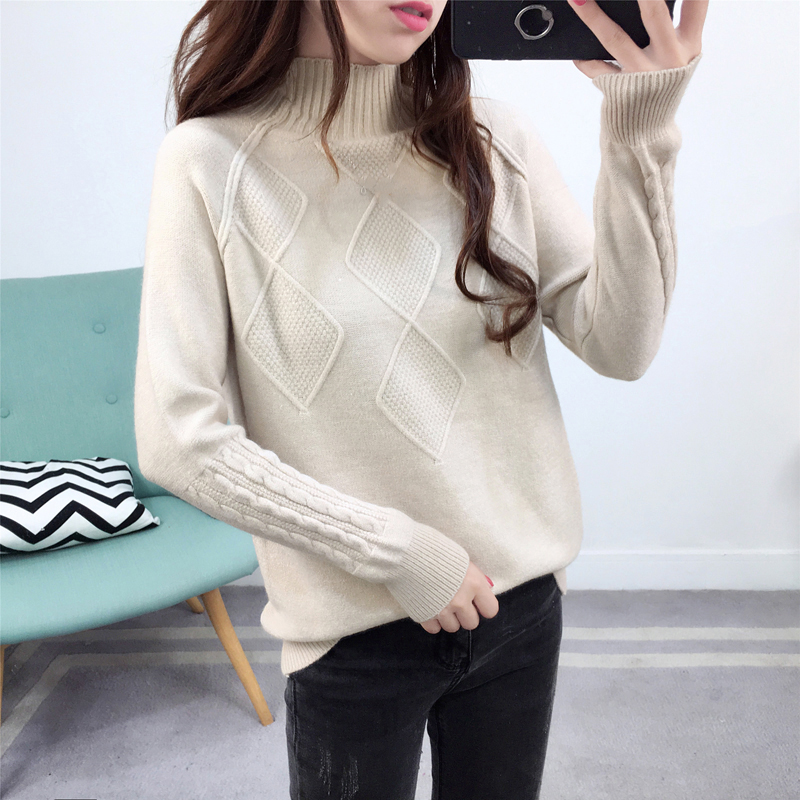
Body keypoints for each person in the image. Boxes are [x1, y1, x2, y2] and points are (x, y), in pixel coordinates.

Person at [134, 0, 708, 797]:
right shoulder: (209, 162)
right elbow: (178, 438)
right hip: (352, 629)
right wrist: (397, 553)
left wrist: (641, 131)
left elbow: (623, 345)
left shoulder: (496, 139)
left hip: (518, 607)